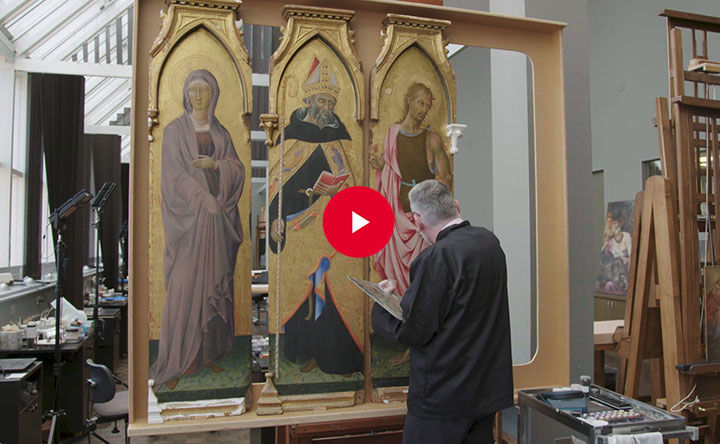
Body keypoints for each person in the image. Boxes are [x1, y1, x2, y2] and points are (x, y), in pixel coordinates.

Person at [372, 179, 513, 444]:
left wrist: (381, 304)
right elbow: (460, 311)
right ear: (455, 206)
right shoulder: (489, 243)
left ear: (417, 220)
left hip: (443, 397)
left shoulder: (437, 256)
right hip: (485, 392)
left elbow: (413, 330)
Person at [268, 57, 363, 376]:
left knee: (329, 287)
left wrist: (339, 193)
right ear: (308, 100)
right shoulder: (289, 138)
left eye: (331, 101)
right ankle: (306, 350)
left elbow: (353, 186)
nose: (326, 106)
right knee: (302, 287)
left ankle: (333, 354)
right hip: (296, 229)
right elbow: (276, 185)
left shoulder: (341, 139)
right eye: (321, 100)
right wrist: (275, 218)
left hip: (330, 229)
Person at [151, 70, 245, 390]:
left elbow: (237, 169)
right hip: (189, 226)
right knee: (184, 286)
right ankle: (178, 360)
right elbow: (173, 176)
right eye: (192, 89)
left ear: (214, 94)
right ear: (186, 94)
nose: (197, 95)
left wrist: (216, 166)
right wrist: (201, 196)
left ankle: (206, 354)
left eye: (204, 89)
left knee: (212, 288)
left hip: (217, 224)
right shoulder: (175, 131)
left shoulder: (221, 132)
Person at [371, 82, 452, 297]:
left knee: (421, 278)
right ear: (409, 101)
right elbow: (393, 169)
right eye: (420, 103)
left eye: (427, 105)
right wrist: (383, 168)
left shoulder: (431, 139)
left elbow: (445, 178)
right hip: (396, 220)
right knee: (394, 282)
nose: (423, 109)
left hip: (421, 222)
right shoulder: (392, 134)